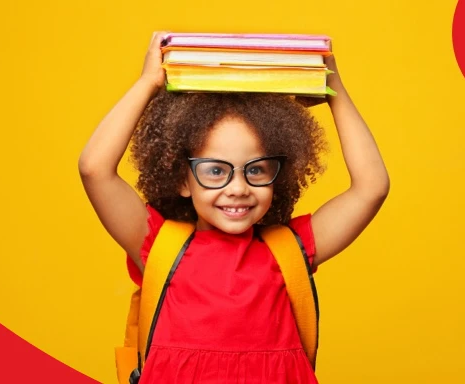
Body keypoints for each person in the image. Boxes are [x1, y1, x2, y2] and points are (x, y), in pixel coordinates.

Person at [79, 31, 389, 383]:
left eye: (256, 169)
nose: (238, 188)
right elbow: (94, 169)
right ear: (183, 179)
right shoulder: (158, 245)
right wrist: (148, 83)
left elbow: (372, 187)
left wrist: (336, 91)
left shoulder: (290, 249)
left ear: (278, 175)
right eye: (215, 171)